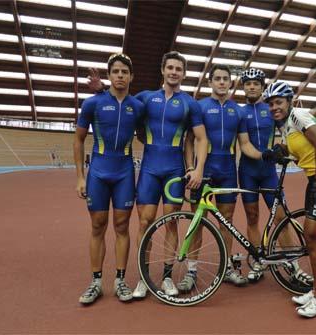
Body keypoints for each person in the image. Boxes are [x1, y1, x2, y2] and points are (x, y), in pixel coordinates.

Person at [87, 51, 208, 299]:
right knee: (145, 222)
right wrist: (101, 91)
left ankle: (165, 276)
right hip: (150, 170)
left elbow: (201, 138)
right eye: (170, 67)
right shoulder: (145, 99)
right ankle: (143, 276)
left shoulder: (190, 103)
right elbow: (121, 105)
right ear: (162, 70)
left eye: (179, 69)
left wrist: (198, 169)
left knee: (171, 221)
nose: (174, 72)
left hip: (174, 169)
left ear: (183, 74)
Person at [178, 64, 270, 291]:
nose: (221, 82)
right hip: (203, 171)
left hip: (228, 170)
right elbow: (189, 140)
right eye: (217, 78)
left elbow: (245, 144)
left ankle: (227, 267)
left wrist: (264, 155)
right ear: (210, 82)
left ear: (230, 83)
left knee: (226, 222)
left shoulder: (238, 111)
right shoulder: (199, 106)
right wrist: (191, 167)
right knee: (198, 221)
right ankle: (191, 270)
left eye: (225, 79)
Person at [262, 81, 316, 318]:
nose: (274, 107)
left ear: (289, 101)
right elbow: (302, 152)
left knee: (314, 238)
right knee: (313, 240)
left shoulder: (299, 115)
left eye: (278, 102)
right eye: (270, 104)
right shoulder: (285, 126)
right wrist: (281, 151)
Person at [74, 53, 145, 305]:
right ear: (109, 75)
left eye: (124, 72)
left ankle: (120, 281)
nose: (120, 76)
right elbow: (78, 140)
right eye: (115, 71)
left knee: (122, 226)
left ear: (131, 77)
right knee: (97, 226)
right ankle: (95, 282)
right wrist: (80, 177)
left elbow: (146, 133)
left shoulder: (137, 106)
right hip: (99, 173)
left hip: (124, 172)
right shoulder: (92, 103)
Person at [237, 68, 284, 282]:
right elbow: (244, 145)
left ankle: (291, 262)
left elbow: (286, 132)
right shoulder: (240, 112)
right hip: (247, 172)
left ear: (263, 87)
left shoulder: (271, 109)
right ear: (243, 87)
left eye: (256, 83)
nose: (252, 86)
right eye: (248, 83)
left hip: (268, 173)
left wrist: (280, 149)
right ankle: (257, 260)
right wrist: (263, 154)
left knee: (281, 216)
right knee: (252, 217)